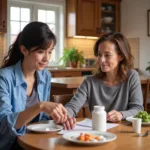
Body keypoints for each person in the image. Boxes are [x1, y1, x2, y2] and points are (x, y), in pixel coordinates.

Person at [0, 21, 71, 150]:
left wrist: (58, 120)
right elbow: (3, 125)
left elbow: (42, 119)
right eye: (41, 51)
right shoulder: (4, 78)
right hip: (10, 144)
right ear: (24, 50)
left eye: (50, 52)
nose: (47, 58)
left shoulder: (45, 76)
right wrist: (40, 106)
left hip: (35, 141)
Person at [64, 32, 144, 128]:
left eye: (107, 55)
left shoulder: (131, 76)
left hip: (124, 132)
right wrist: (66, 116)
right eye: (99, 54)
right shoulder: (89, 81)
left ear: (121, 56)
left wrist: (121, 114)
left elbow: (138, 109)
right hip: (96, 134)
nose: (101, 60)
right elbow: (73, 106)